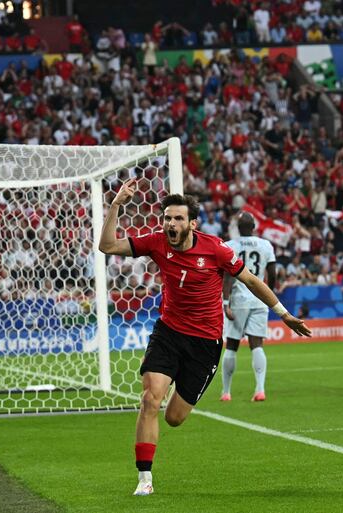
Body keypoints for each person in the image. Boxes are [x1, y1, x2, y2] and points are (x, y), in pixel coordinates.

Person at [99, 181, 310, 496]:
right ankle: (145, 479)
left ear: (192, 223)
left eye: (178, 219)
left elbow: (251, 280)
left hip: (205, 343)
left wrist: (282, 313)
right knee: (149, 399)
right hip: (168, 333)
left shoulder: (215, 248)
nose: (171, 224)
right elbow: (107, 247)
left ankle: (176, 398)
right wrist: (116, 205)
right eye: (167, 218)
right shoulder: (157, 243)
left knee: (174, 417)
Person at [220, 212, 277, 402]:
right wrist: (270, 294)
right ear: (254, 227)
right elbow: (272, 272)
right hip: (259, 299)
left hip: (238, 300)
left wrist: (225, 303)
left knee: (232, 346)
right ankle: (260, 390)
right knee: (257, 345)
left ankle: (226, 392)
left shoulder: (230, 246)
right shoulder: (265, 245)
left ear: (237, 227)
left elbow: (227, 277)